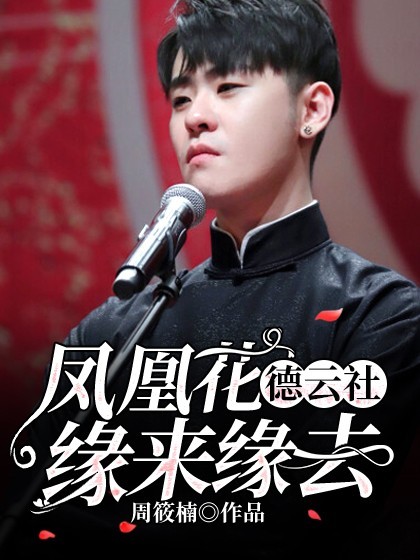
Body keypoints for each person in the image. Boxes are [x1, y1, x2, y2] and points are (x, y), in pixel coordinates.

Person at [2, 0, 419, 558]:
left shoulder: (379, 314)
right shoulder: (113, 332)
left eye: (228, 87)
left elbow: (311, 516)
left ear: (312, 109)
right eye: (180, 99)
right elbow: (34, 508)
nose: (195, 116)